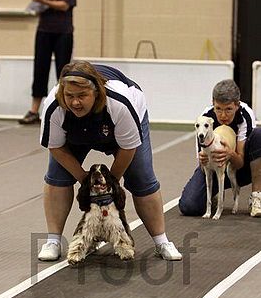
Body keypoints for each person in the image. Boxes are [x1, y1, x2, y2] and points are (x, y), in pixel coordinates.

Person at [38, 60, 182, 262]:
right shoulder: (54, 106)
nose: (75, 102)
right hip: (76, 132)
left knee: (142, 178)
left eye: (81, 96)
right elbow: (56, 147)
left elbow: (128, 148)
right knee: (56, 177)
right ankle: (52, 240)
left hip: (120, 132)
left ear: (96, 92)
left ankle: (161, 241)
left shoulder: (120, 104)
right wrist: (84, 179)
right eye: (69, 96)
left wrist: (110, 183)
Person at [179, 79, 261, 217]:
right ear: (213, 103)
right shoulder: (205, 118)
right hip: (214, 167)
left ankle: (257, 196)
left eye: (228, 109)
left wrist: (229, 154)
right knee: (189, 206)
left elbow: (240, 162)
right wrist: (203, 160)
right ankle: (214, 195)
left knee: (259, 135)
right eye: (218, 109)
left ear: (237, 105)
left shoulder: (246, 114)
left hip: (240, 169)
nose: (223, 115)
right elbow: (201, 164)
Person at [19, 0, 77, 125]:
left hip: (63, 32)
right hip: (44, 31)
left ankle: (65, 108)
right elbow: (36, 6)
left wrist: (45, 1)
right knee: (40, 69)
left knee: (63, 70)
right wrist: (38, 1)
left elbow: (65, 5)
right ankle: (34, 110)